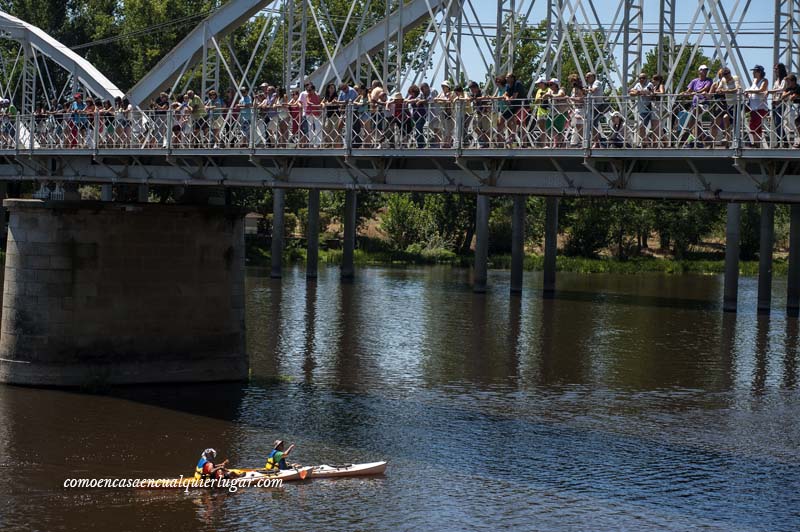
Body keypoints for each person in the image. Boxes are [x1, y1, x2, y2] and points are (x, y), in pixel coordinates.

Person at [680, 64, 713, 147]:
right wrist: (684, 93)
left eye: (706, 70)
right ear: (699, 71)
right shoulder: (694, 81)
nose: (705, 71)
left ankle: (692, 137)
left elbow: (706, 88)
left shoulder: (709, 80)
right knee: (697, 123)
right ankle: (700, 141)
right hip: (694, 104)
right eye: (703, 69)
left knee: (693, 120)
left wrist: (696, 92)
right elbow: (689, 90)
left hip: (703, 104)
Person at [744, 64, 769, 147]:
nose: (753, 73)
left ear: (759, 72)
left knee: (754, 124)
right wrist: (748, 94)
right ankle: (756, 143)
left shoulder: (764, 81)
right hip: (753, 106)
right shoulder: (754, 81)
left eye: (755, 71)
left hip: (761, 106)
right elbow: (753, 90)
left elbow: (761, 89)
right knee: (755, 125)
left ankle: (756, 143)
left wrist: (750, 91)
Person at [629, 72, 654, 146]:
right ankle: (645, 143)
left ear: (646, 79)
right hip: (641, 110)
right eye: (640, 78)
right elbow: (630, 92)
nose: (641, 79)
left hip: (650, 109)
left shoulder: (650, 84)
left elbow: (647, 91)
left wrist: (638, 92)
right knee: (641, 127)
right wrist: (639, 92)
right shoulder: (638, 85)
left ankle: (646, 143)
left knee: (655, 128)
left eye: (643, 78)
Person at [771, 63, 788, 146]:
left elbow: (782, 89)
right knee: (776, 123)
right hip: (775, 103)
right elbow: (775, 90)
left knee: (778, 122)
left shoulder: (785, 79)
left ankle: (784, 141)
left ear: (780, 69)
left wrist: (771, 92)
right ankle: (779, 141)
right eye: (774, 69)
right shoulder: (777, 80)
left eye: (776, 69)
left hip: (781, 103)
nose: (775, 70)